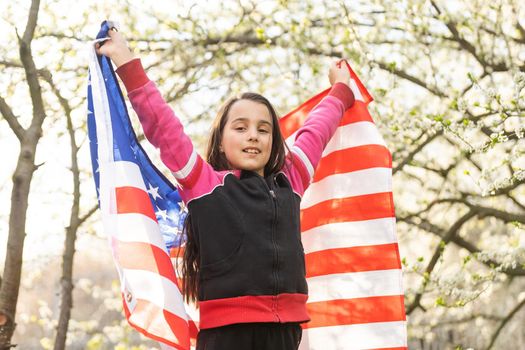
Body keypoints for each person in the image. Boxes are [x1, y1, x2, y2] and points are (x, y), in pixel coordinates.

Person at [96, 28, 355, 350]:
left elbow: (316, 130)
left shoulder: (292, 180)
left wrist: (341, 90)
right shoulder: (203, 183)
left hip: (286, 331)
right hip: (227, 334)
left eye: (263, 129)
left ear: (273, 141)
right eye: (241, 127)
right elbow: (161, 124)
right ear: (221, 138)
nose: (253, 136)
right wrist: (125, 61)